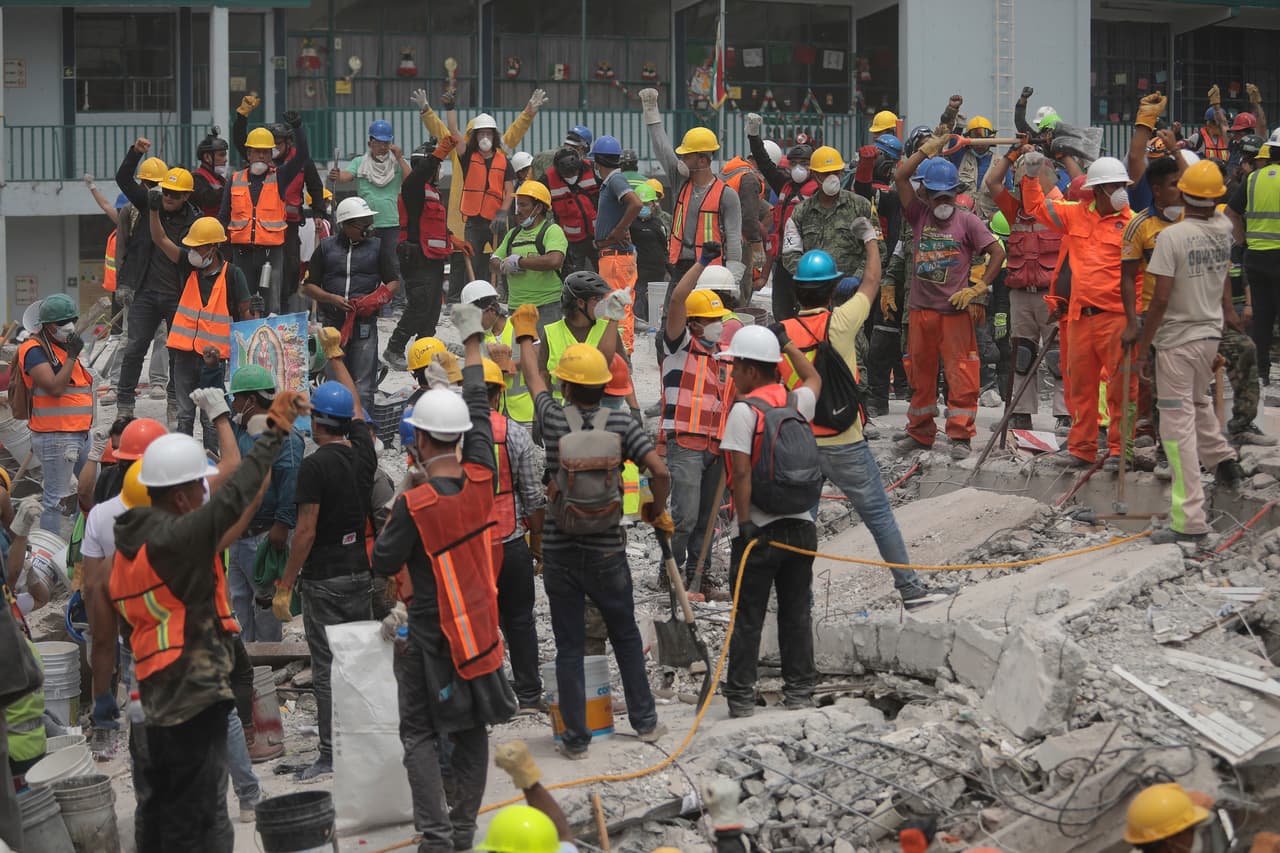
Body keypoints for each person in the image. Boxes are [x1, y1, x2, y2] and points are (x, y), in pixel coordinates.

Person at [110, 388, 307, 850]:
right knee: (205, 819)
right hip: (190, 698)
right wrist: (275, 429)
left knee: (162, 812)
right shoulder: (176, 541)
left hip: (152, 700)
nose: (205, 490)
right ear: (180, 497)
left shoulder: (129, 551)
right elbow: (235, 495)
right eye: (199, 485)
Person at [371, 302, 517, 851]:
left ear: (421, 442)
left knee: (420, 733)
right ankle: (461, 830)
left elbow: (383, 562)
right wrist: (472, 342)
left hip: (431, 634)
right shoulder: (482, 480)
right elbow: (478, 409)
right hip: (479, 630)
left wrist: (406, 491)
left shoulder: (416, 505)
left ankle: (435, 836)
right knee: (472, 727)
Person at [512, 303, 671, 759]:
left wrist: (527, 338)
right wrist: (654, 510)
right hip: (607, 548)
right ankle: (644, 722)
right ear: (604, 385)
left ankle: (577, 738)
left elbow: (534, 379)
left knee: (569, 645)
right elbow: (658, 471)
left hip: (561, 549)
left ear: (567, 384)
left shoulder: (553, 419)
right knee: (623, 635)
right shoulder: (621, 422)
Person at [781, 246, 935, 608]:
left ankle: (793, 601)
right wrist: (868, 242)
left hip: (801, 444)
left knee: (801, 525)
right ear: (833, 290)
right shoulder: (841, 323)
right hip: (845, 440)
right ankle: (910, 589)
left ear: (797, 290)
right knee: (879, 516)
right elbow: (871, 281)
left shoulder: (782, 334)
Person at [275, 363, 378, 781]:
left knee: (326, 670)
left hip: (324, 578)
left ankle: (331, 753)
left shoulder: (315, 466)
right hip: (360, 574)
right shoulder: (364, 453)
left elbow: (305, 531)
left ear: (316, 420)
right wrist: (338, 357)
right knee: (360, 663)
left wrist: (285, 583)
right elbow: (357, 410)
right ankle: (366, 742)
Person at [1134, 161, 1245, 545]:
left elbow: (1160, 298)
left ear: (1181, 192)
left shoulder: (1173, 237)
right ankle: (1223, 459)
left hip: (1178, 340)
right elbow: (1226, 269)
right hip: (1208, 335)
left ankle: (1190, 520)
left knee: (1177, 430)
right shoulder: (1222, 229)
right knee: (1197, 404)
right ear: (1215, 197)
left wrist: (1145, 344)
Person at [717, 325, 821, 716]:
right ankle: (800, 692)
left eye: (735, 366)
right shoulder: (796, 402)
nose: (732, 373)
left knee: (748, 617)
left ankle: (741, 697)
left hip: (759, 530)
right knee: (796, 613)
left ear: (749, 369)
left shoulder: (745, 412)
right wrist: (788, 344)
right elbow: (813, 377)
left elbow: (740, 474)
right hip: (801, 527)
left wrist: (745, 524)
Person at [893, 115, 1006, 459]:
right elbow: (900, 175)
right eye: (936, 195)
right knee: (920, 374)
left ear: (956, 194)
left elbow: (998, 252)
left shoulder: (968, 220)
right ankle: (920, 431)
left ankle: (960, 435)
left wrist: (980, 287)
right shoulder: (918, 214)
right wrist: (928, 151)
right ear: (925, 193)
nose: (943, 202)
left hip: (954, 313)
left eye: (948, 196)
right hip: (921, 311)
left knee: (961, 374)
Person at [1018, 149, 1136, 468]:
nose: (1122, 191)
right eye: (1115, 186)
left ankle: (1119, 450)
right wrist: (1030, 177)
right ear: (1097, 191)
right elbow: (1036, 208)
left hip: (1117, 319)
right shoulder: (1076, 215)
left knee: (1121, 388)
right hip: (1080, 318)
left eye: (1123, 184)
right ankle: (1082, 449)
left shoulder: (1133, 225)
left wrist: (1137, 318)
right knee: (1079, 388)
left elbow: (1140, 277)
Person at [412, 86, 546, 303]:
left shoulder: (500, 155)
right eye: (480, 133)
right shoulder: (462, 152)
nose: (485, 137)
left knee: (492, 261)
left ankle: (495, 299)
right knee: (461, 265)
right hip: (464, 220)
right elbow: (444, 130)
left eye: (488, 133)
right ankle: (457, 301)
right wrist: (429, 109)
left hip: (494, 220)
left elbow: (514, 133)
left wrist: (529, 112)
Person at [985, 140, 1071, 434]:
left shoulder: (1063, 209)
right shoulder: (1015, 210)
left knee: (1059, 356)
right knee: (1021, 354)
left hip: (1053, 295)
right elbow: (992, 181)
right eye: (1021, 179)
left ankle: (1065, 415)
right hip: (1021, 295)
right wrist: (1011, 156)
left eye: (1028, 178)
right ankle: (1020, 412)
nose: (1022, 184)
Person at [146, 211, 254, 442]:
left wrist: (255, 317)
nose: (193, 252)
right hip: (183, 355)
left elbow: (246, 313)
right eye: (192, 247)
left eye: (198, 247)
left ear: (214, 247)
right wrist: (155, 212)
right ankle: (185, 463)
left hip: (213, 361)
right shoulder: (188, 267)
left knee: (211, 418)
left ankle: (214, 463)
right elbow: (160, 240)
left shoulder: (233, 275)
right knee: (184, 415)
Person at [661, 244, 732, 587]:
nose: (718, 326)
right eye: (711, 321)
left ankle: (697, 575)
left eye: (720, 320)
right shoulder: (678, 346)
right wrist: (702, 262)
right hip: (686, 445)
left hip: (714, 447)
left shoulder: (724, 357)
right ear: (694, 325)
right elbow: (677, 299)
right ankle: (670, 572)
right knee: (685, 517)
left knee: (705, 520)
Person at [115, 139, 201, 419]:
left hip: (178, 296)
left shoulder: (194, 223)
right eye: (167, 192)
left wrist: (156, 222)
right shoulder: (153, 202)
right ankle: (124, 405)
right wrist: (136, 152)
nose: (169, 198)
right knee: (134, 349)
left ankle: (174, 402)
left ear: (186, 196)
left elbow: (183, 258)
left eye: (176, 194)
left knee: (178, 354)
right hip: (146, 293)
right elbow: (123, 180)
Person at [481, 357, 545, 711]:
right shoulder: (514, 434)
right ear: (498, 395)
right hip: (510, 541)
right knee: (520, 619)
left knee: (479, 621)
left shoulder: (454, 434)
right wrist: (537, 546)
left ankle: (488, 697)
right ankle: (529, 693)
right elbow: (533, 496)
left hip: (471, 549)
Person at [224, 365, 303, 646]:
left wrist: (281, 527)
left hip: (264, 536)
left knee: (265, 607)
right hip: (240, 534)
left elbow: (290, 484)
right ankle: (247, 664)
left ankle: (267, 665)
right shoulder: (243, 430)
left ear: (251, 401)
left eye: (236, 399)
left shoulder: (284, 437)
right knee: (240, 601)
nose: (233, 404)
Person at [639, 88, 744, 296]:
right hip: (680, 265)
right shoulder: (680, 182)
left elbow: (733, 237)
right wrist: (651, 112)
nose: (681, 161)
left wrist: (733, 278)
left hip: (710, 270)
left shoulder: (726, 194)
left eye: (687, 156)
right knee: (670, 322)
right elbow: (663, 149)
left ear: (703, 160)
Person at [302, 196, 401, 415]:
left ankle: (363, 429)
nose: (368, 227)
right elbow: (308, 286)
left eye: (368, 221)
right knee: (333, 382)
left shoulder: (377, 247)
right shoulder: (326, 248)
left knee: (364, 385)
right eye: (362, 222)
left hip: (364, 324)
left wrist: (376, 298)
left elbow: (393, 282)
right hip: (332, 326)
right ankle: (335, 427)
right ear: (346, 225)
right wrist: (330, 298)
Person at [232, 98, 325, 313]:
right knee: (251, 281)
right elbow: (240, 141)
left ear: (288, 143)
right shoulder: (260, 166)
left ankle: (283, 309)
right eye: (269, 146)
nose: (272, 151)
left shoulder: (294, 167)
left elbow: (315, 188)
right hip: (255, 237)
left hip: (288, 228)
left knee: (289, 270)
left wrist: (319, 212)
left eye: (278, 144)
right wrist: (242, 116)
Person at [218, 118, 310, 316]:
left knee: (270, 303)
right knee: (244, 302)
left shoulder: (280, 176)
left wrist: (298, 128)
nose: (261, 156)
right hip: (241, 252)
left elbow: (302, 156)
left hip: (271, 252)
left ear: (272, 154)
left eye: (266, 152)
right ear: (248, 154)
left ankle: (269, 342)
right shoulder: (235, 179)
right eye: (257, 151)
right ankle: (246, 341)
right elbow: (223, 216)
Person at [18, 294, 93, 533]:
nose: (70, 325)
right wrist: (72, 355)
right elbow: (55, 388)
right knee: (55, 500)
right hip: (56, 436)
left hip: (80, 432)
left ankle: (82, 542)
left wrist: (69, 354)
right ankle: (48, 554)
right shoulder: (33, 350)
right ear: (50, 326)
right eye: (64, 322)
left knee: (91, 490)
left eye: (72, 319)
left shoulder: (58, 346)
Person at [386, 136, 459, 369]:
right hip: (416, 258)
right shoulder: (413, 188)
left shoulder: (433, 193)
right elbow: (422, 171)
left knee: (432, 310)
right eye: (437, 167)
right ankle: (394, 349)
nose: (439, 172)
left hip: (434, 259)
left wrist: (453, 239)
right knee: (419, 306)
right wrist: (441, 151)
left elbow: (433, 226)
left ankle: (424, 350)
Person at [747, 114, 819, 321]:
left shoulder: (820, 191)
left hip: (808, 262)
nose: (798, 167)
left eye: (804, 163)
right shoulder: (784, 186)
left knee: (807, 314)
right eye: (794, 163)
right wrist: (753, 135)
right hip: (783, 262)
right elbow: (765, 162)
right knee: (781, 313)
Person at [781, 145, 882, 292]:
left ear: (842, 172)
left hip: (854, 294)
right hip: (814, 296)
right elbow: (790, 255)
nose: (832, 178)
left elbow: (878, 249)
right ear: (814, 174)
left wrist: (858, 277)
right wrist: (812, 279)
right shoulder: (801, 212)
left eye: (835, 172)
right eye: (825, 173)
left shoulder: (860, 206)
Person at [1226, 128, 1280, 387]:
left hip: (1256, 257)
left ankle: (1262, 374)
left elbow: (1231, 212)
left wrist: (1242, 242)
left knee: (1261, 315)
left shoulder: (1253, 179)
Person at [328, 119, 411, 275]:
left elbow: (411, 180)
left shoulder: (396, 164)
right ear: (370, 143)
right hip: (366, 223)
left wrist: (400, 158)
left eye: (386, 143)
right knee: (366, 262)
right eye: (379, 142)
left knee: (391, 263)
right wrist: (337, 175)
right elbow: (345, 177)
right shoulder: (360, 162)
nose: (383, 147)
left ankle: (397, 299)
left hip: (390, 223)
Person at [491, 180, 569, 327]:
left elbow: (555, 261)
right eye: (517, 204)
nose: (518, 210)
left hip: (546, 307)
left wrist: (519, 262)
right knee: (519, 350)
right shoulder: (513, 234)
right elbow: (493, 261)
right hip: (516, 307)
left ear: (538, 208)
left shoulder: (552, 231)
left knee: (543, 350)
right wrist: (502, 265)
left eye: (523, 205)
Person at [591, 135, 643, 351]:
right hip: (612, 255)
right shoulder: (611, 182)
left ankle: (623, 351)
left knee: (618, 304)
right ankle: (619, 348)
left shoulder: (615, 180)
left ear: (598, 161)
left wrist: (619, 230)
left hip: (616, 256)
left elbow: (636, 203)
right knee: (615, 303)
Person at [539, 272, 626, 401]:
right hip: (562, 414)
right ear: (580, 303)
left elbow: (623, 374)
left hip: (599, 411)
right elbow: (542, 376)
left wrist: (634, 408)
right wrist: (539, 413)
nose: (604, 304)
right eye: (597, 299)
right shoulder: (551, 332)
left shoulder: (608, 329)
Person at [544, 135, 601, 274]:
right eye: (566, 175)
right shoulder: (547, 179)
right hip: (571, 241)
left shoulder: (593, 170)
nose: (570, 177)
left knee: (604, 274)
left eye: (573, 173)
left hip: (598, 236)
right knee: (573, 277)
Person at [721, 144, 768, 303]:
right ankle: (739, 317)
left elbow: (760, 207)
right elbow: (748, 216)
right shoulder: (749, 179)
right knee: (741, 285)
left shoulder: (731, 172)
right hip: (740, 240)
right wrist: (756, 242)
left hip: (723, 235)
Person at [630, 182, 668, 325]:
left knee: (656, 301)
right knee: (639, 296)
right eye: (642, 204)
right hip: (639, 271)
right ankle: (639, 323)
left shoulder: (658, 223)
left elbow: (664, 246)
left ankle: (655, 323)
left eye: (648, 204)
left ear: (654, 204)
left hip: (657, 270)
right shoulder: (630, 224)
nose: (644, 207)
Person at [950, 116, 998, 217]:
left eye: (983, 141)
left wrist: (997, 213)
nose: (979, 145)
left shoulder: (1000, 163)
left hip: (989, 221)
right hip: (962, 217)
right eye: (976, 141)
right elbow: (953, 142)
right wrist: (959, 126)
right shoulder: (960, 156)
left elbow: (1009, 192)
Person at [191, 127, 230, 218]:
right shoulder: (196, 178)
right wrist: (229, 188)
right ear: (207, 157)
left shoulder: (222, 180)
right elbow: (208, 199)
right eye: (221, 155)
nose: (226, 160)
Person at [1186, 86, 1230, 163]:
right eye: (1217, 123)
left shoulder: (1227, 138)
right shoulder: (1198, 138)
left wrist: (1217, 108)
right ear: (1209, 123)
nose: (1220, 126)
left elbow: (1224, 124)